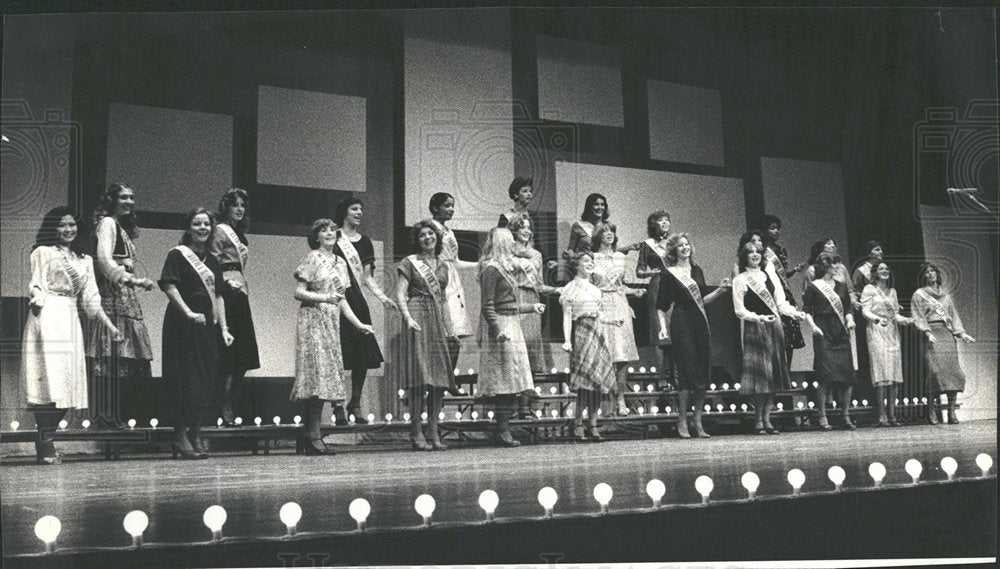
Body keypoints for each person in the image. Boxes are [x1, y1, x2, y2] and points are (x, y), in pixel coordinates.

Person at [21, 207, 122, 464]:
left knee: (67, 384)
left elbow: (91, 299)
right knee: (48, 383)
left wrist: (110, 327)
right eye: (62, 225)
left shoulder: (85, 259)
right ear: (52, 228)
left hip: (70, 318)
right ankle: (45, 444)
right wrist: (36, 300)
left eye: (72, 225)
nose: (68, 230)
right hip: (47, 314)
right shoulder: (42, 252)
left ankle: (46, 436)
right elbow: (36, 283)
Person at [292, 219, 374, 455]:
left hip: (331, 322)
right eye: (323, 230)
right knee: (315, 376)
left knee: (325, 375)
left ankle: (310, 434)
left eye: (332, 230)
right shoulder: (312, 257)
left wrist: (359, 324)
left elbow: (342, 299)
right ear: (316, 236)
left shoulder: (339, 262)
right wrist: (324, 298)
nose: (329, 233)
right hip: (312, 320)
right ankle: (313, 435)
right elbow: (299, 292)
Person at [159, 208, 234, 459]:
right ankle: (180, 436)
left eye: (206, 224)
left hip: (207, 326)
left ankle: (195, 432)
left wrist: (223, 328)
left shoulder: (213, 261)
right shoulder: (177, 254)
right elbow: (169, 286)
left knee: (205, 379)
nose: (202, 228)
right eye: (197, 224)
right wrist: (189, 313)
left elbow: (219, 295)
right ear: (189, 227)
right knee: (182, 379)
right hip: (182, 324)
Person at [88, 182, 155, 429]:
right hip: (114, 294)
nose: (129, 201)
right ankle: (109, 418)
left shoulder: (120, 227)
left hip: (125, 296)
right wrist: (131, 279)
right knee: (113, 355)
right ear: (112, 200)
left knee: (126, 357)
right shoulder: (107, 223)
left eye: (132, 197)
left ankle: (123, 417)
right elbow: (104, 260)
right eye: (124, 197)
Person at [656, 233, 730, 438]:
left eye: (687, 244)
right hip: (682, 322)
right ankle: (681, 420)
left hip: (700, 321)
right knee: (687, 371)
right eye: (680, 245)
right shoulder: (669, 273)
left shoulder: (697, 271)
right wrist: (663, 328)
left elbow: (703, 300)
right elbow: (661, 306)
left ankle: (697, 420)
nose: (684, 247)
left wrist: (721, 291)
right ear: (674, 251)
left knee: (702, 371)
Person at [478, 228, 546, 447]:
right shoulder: (491, 269)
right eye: (509, 242)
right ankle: (502, 429)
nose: (514, 245)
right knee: (503, 379)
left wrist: (531, 307)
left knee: (513, 379)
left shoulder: (507, 269)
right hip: (501, 326)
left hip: (512, 323)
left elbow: (512, 303)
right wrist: (497, 329)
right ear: (502, 244)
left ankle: (503, 428)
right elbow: (487, 305)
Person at [332, 198, 397, 425]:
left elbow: (367, 277)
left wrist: (382, 297)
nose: (359, 212)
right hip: (336, 299)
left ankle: (355, 402)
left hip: (357, 299)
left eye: (361, 209)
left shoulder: (365, 242)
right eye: (354, 209)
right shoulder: (333, 236)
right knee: (337, 353)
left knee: (361, 353)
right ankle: (337, 404)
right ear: (344, 212)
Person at [396, 220, 457, 451]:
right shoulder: (410, 262)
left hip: (436, 318)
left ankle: (433, 428)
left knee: (440, 380)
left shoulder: (443, 265)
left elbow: (443, 299)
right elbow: (401, 294)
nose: (427, 238)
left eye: (431, 234)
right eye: (422, 235)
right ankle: (416, 430)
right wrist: (407, 317)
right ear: (417, 239)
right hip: (417, 315)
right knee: (420, 379)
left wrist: (450, 330)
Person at [732, 242, 803, 435]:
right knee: (760, 375)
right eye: (750, 252)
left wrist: (795, 313)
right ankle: (757, 419)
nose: (755, 255)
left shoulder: (770, 276)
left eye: (758, 252)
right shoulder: (740, 279)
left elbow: (780, 302)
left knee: (773, 375)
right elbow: (739, 310)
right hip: (755, 327)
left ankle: (767, 418)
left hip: (775, 326)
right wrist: (758, 318)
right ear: (744, 256)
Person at [208, 188, 260, 427]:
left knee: (244, 352)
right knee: (229, 355)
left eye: (243, 205)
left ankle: (227, 400)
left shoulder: (239, 234)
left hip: (241, 293)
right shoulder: (219, 231)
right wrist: (226, 282)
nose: (239, 209)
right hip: (226, 292)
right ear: (226, 207)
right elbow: (211, 262)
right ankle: (222, 403)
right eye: (235, 205)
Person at [560, 252, 616, 442]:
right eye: (585, 261)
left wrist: (612, 321)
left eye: (591, 261)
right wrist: (567, 340)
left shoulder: (595, 289)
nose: (589, 264)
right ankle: (577, 423)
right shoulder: (570, 288)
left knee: (598, 383)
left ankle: (593, 423)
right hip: (582, 332)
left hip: (597, 333)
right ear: (576, 265)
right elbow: (567, 316)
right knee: (585, 384)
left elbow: (599, 314)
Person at [911, 263, 976, 425]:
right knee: (935, 373)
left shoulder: (946, 296)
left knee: (953, 373)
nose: (930, 274)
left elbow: (953, 317)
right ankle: (932, 411)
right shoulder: (919, 295)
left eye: (932, 271)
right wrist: (927, 332)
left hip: (947, 336)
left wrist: (962, 334)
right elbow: (918, 316)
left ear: (937, 274)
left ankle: (952, 412)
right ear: (923, 276)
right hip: (931, 335)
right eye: (927, 272)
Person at [591, 222, 643, 415]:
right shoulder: (593, 258)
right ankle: (605, 402)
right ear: (598, 236)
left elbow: (621, 285)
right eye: (605, 231)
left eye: (611, 231)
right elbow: (588, 285)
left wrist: (634, 291)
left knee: (621, 355)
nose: (609, 234)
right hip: (601, 303)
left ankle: (621, 399)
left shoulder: (620, 257)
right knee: (603, 353)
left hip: (620, 303)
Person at [802, 252, 857, 430]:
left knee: (848, 376)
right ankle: (823, 415)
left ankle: (846, 415)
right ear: (826, 266)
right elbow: (807, 311)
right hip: (823, 330)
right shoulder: (813, 287)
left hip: (840, 331)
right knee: (825, 376)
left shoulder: (841, 286)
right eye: (834, 264)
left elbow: (847, 307)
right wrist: (813, 326)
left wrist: (849, 319)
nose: (837, 267)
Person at [427, 193, 474, 385]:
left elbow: (456, 261)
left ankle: (449, 378)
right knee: (445, 332)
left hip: (454, 280)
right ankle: (439, 379)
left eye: (453, 206)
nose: (451, 209)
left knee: (457, 333)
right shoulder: (430, 228)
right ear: (435, 207)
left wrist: (480, 264)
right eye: (447, 205)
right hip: (439, 278)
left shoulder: (449, 231)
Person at [859, 261, 912, 426]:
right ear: (874, 273)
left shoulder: (892, 292)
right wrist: (876, 318)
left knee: (894, 373)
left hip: (892, 332)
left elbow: (895, 314)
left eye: (886, 268)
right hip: (876, 331)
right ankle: (881, 414)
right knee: (881, 372)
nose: (885, 271)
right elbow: (865, 310)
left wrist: (908, 320)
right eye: (881, 268)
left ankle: (892, 414)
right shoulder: (869, 289)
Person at [759, 214, 806, 369]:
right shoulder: (760, 251)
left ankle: (787, 373)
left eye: (777, 228)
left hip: (784, 294)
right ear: (764, 230)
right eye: (772, 228)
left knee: (789, 337)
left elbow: (783, 275)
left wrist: (794, 271)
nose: (776, 231)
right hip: (768, 294)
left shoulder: (781, 251)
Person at [636, 210, 674, 389]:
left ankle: (678, 375)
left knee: (677, 331)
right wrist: (651, 272)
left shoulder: (674, 243)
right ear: (653, 225)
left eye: (667, 220)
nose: (665, 223)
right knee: (660, 332)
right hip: (658, 286)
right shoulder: (647, 245)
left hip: (676, 286)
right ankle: (661, 377)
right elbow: (639, 271)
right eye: (660, 220)